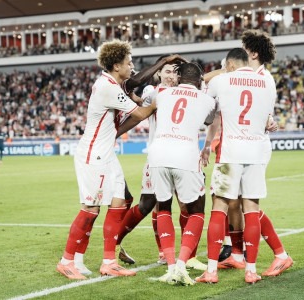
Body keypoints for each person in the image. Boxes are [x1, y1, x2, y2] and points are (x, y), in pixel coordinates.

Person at [56, 40, 175, 280]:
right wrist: (162, 99)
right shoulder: (107, 86)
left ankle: (107, 261)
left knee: (122, 200)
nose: (132, 67)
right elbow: (141, 113)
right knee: (91, 208)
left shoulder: (114, 83)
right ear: (116, 65)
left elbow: (134, 113)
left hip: (106, 151)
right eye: (128, 63)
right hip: (94, 153)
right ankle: (67, 260)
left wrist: (161, 65)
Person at [116, 56, 207, 271]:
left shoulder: (189, 93)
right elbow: (131, 98)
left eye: (175, 72)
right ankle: (116, 241)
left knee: (186, 205)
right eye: (167, 71)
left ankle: (189, 256)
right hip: (159, 157)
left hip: (184, 156)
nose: (171, 75)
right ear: (158, 73)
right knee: (149, 205)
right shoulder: (152, 93)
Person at [196, 48, 276, 284]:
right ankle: (251, 271)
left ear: (230, 64)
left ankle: (211, 271)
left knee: (219, 206)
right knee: (251, 209)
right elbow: (269, 118)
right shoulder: (266, 82)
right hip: (256, 152)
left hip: (231, 152)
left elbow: (206, 108)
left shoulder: (222, 80)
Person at [147, 63, 216, 285]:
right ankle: (181, 264)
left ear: (178, 77)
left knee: (163, 207)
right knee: (197, 211)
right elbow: (208, 121)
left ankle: (169, 266)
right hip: (185, 154)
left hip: (158, 154)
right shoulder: (206, 99)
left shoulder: (163, 92)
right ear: (200, 80)